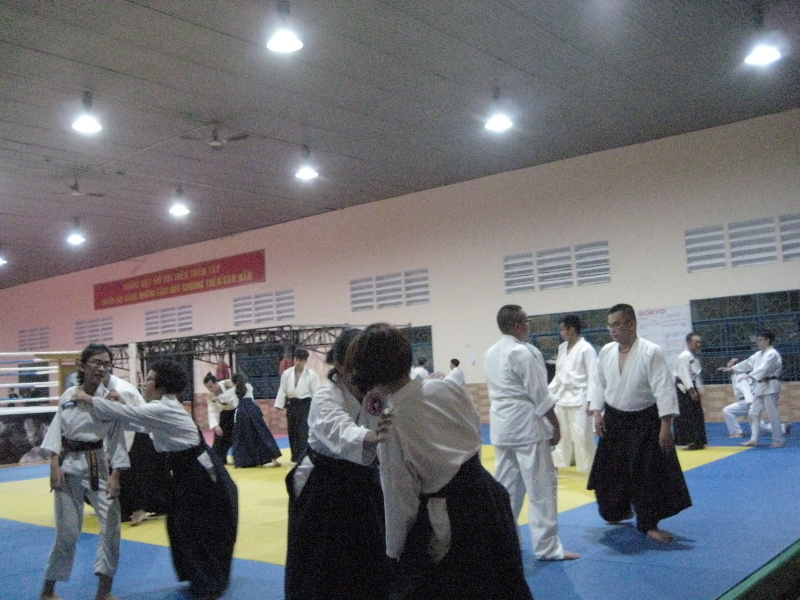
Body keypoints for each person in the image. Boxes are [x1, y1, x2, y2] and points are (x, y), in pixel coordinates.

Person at [347, 323, 534, 600]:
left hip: (451, 519)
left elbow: (400, 496)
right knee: (503, 585)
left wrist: (394, 552)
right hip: (489, 497)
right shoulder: (447, 386)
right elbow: (474, 431)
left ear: (367, 372)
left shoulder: (392, 423)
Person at [74, 359, 238, 600]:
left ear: (162, 385)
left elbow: (129, 415)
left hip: (201, 474)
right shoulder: (161, 408)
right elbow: (138, 422)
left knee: (199, 525)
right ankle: (198, 575)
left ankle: (210, 581)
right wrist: (119, 404)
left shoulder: (165, 408)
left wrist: (87, 398)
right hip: (186, 471)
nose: (145, 383)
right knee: (181, 525)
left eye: (150, 379)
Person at [285, 329, 392, 600]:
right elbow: (339, 430)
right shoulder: (326, 395)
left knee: (368, 552)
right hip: (324, 484)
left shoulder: (376, 395)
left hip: (363, 478)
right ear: (342, 365)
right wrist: (372, 436)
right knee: (322, 558)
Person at [588, 304, 692, 543]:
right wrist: (596, 413)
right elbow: (598, 383)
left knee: (647, 475)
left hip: (645, 420)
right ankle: (616, 512)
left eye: (617, 324)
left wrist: (666, 425)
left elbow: (663, 388)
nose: (613, 330)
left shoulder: (651, 351)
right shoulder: (606, 351)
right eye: (610, 325)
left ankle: (648, 523)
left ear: (632, 323)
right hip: (614, 419)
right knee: (609, 471)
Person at [483, 304, 579, 560]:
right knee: (542, 489)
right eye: (526, 321)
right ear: (517, 324)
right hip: (526, 427)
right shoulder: (521, 352)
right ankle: (548, 547)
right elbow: (540, 394)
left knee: (507, 488)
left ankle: (504, 540)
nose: (528, 325)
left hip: (502, 427)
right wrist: (555, 424)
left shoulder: (490, 353)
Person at [39, 343, 129, 600]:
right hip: (67, 467)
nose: (101, 368)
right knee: (67, 533)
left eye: (106, 364)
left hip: (97, 466)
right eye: (96, 362)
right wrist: (54, 465)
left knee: (112, 527)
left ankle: (104, 591)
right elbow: (56, 432)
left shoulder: (109, 400)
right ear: (82, 366)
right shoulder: (68, 395)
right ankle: (48, 591)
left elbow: (117, 440)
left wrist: (116, 474)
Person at [108, 373, 170, 526]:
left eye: (149, 380)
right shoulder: (103, 391)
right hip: (138, 433)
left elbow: (130, 425)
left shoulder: (122, 390)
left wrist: (117, 463)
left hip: (140, 439)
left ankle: (139, 507)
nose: (145, 384)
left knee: (135, 472)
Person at [548, 315, 597, 472]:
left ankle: (588, 467)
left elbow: (593, 376)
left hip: (580, 397)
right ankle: (561, 464)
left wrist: (591, 401)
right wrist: (548, 394)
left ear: (572, 329)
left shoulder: (586, 349)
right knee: (562, 434)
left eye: (564, 329)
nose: (562, 333)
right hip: (562, 396)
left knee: (582, 435)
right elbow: (559, 375)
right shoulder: (562, 348)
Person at [720, 330, 784, 448]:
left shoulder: (772, 354)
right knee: (753, 413)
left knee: (772, 414)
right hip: (760, 385)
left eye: (760, 340)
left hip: (770, 384)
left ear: (767, 340)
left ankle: (778, 440)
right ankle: (754, 439)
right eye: (757, 340)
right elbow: (747, 363)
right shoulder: (758, 354)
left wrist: (749, 375)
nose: (758, 342)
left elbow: (764, 368)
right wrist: (733, 368)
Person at [721, 361, 791, 439]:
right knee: (758, 425)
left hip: (748, 401)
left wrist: (750, 405)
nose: (727, 363)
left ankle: (737, 432)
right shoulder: (736, 375)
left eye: (730, 362)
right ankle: (783, 428)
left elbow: (746, 390)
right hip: (748, 400)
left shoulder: (739, 376)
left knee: (727, 410)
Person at [275, 348, 320, 462]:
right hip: (292, 404)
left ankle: (303, 456)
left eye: (301, 360)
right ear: (294, 359)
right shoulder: (287, 373)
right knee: (292, 430)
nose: (298, 362)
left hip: (305, 405)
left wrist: (317, 409)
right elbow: (282, 390)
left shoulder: (311, 375)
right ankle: (295, 455)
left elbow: (316, 393)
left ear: (305, 361)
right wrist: (279, 406)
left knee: (303, 431)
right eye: (296, 359)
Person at [230, 373, 282, 468]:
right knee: (262, 434)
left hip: (242, 414)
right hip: (253, 411)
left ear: (233, 382)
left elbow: (225, 400)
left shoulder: (233, 390)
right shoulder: (249, 386)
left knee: (241, 437)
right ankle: (273, 458)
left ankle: (242, 462)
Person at [672, 333, 707, 450]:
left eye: (700, 342)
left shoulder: (693, 357)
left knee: (697, 414)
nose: (699, 344)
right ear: (688, 343)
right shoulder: (684, 356)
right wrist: (691, 390)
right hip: (684, 388)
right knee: (686, 414)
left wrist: (699, 388)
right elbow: (684, 374)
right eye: (696, 342)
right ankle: (689, 440)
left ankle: (698, 440)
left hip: (692, 385)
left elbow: (696, 375)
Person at [203, 373, 238, 463]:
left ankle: (240, 458)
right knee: (219, 436)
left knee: (238, 435)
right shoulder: (211, 396)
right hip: (225, 413)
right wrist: (216, 426)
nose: (210, 389)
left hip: (237, 411)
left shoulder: (228, 384)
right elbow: (212, 411)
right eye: (208, 388)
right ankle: (220, 458)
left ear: (216, 383)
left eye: (211, 386)